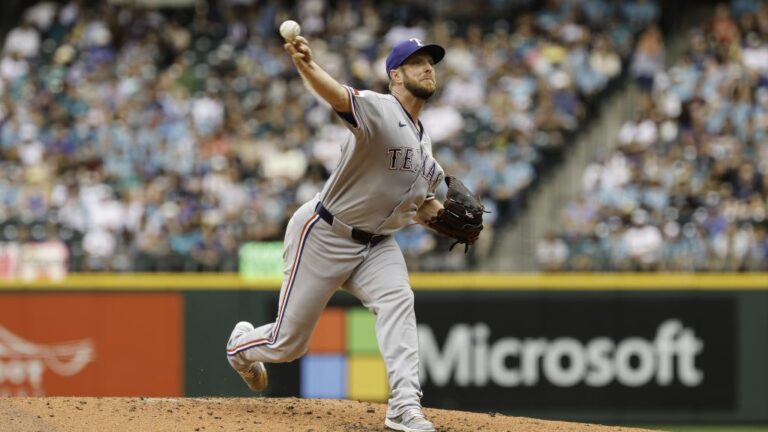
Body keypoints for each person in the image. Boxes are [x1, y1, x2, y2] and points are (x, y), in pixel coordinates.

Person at [226, 36, 450, 432]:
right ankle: (240, 348)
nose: (428, 68)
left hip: (376, 244)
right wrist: (306, 65)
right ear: (395, 76)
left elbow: (425, 205)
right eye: (416, 62)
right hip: (325, 234)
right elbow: (338, 97)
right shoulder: (381, 110)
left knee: (399, 302)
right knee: (288, 344)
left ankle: (403, 406)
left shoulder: (424, 141)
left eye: (430, 61)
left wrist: (446, 219)